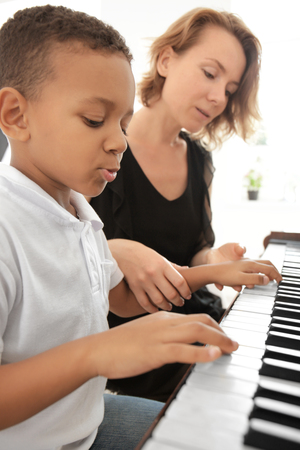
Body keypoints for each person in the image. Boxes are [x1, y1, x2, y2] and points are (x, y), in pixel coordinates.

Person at [0, 5, 282, 450]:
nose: (119, 141)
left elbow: (121, 294)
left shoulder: (77, 210)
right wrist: (99, 353)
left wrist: (210, 272)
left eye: (123, 124)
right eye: (96, 120)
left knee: (222, 434)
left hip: (86, 426)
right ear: (15, 115)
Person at [89, 8, 263, 401]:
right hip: (128, 353)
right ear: (166, 60)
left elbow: (192, 252)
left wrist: (214, 257)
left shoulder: (200, 161)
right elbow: (62, 250)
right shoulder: (99, 145)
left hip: (196, 327)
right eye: (210, 73)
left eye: (231, 89)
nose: (219, 97)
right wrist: (113, 252)